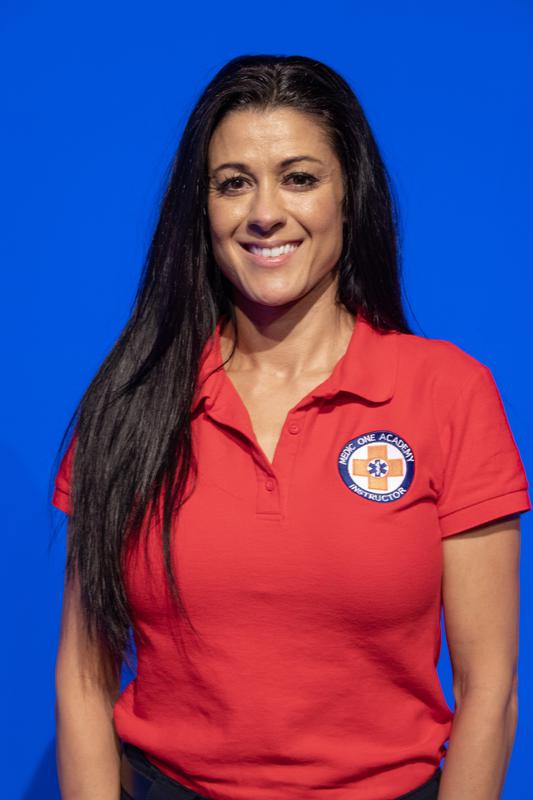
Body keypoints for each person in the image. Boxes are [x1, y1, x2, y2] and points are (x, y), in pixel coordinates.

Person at [51, 54, 531, 800]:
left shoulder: (448, 392)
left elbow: (488, 690)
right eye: (233, 182)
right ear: (201, 208)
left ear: (350, 197)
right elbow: (84, 678)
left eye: (299, 178)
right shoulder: (129, 402)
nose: (264, 212)